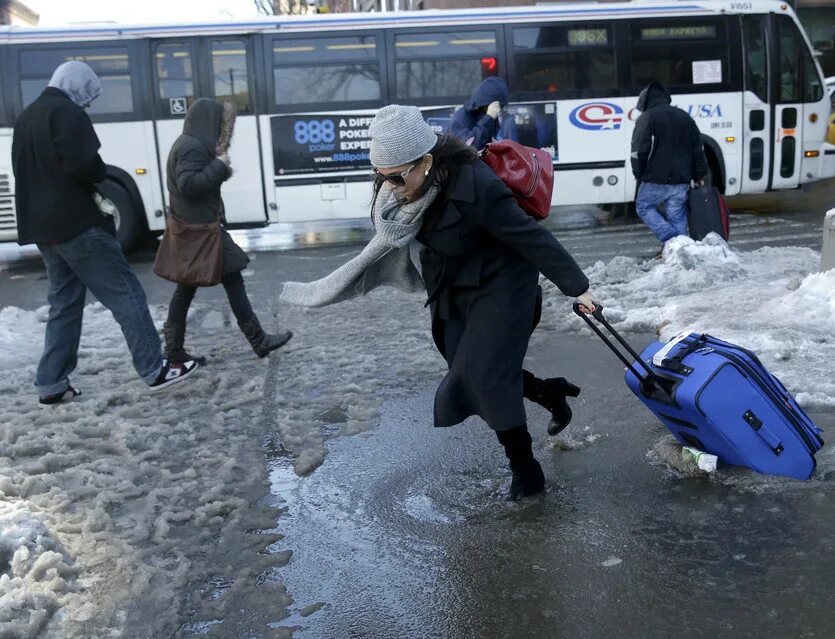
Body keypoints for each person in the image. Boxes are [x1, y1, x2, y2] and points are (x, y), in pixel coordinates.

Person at [281, 105, 599, 501]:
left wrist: (578, 288)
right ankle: (548, 393)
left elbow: (530, 237)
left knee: (483, 378)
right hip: (454, 289)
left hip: (503, 284)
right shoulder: (399, 193)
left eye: (397, 177)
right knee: (467, 375)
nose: (390, 186)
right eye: (381, 177)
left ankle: (528, 475)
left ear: (426, 161)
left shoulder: (475, 185)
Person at [11, 61, 199, 404]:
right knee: (126, 294)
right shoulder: (67, 113)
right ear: (77, 86)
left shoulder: (27, 117)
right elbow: (86, 166)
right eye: (88, 95)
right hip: (78, 225)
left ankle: (51, 382)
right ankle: (154, 369)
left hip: (45, 232)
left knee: (64, 304)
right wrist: (97, 172)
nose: (87, 104)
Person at [163, 98, 292, 363]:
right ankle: (257, 340)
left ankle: (175, 350)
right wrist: (219, 166)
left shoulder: (186, 143)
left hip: (196, 230)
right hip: (202, 232)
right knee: (219, 284)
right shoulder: (192, 148)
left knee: (203, 286)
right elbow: (188, 185)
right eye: (218, 122)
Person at [630, 80, 709, 254]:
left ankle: (671, 238)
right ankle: (681, 251)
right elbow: (698, 149)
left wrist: (639, 173)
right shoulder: (684, 117)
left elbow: (638, 150)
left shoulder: (648, 117)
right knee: (677, 215)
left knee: (643, 206)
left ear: (646, 101)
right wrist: (699, 174)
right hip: (681, 178)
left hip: (655, 178)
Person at [449, 76, 509, 150]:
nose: (498, 110)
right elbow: (470, 147)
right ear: (489, 104)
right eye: (497, 106)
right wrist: (488, 118)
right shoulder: (460, 119)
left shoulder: (485, 116)